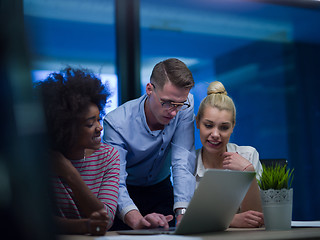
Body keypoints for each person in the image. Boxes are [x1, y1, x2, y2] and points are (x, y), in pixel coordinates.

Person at [103, 58, 196, 230]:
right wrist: (136, 220)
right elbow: (115, 181)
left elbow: (182, 160)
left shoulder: (183, 104)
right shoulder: (116, 123)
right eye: (167, 103)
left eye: (179, 104)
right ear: (149, 89)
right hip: (125, 193)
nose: (174, 112)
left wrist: (183, 213)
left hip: (161, 189)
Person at [35, 68, 120, 235]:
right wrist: (85, 226)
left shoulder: (108, 156)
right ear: (66, 128)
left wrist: (70, 174)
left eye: (99, 118)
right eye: (90, 124)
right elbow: (38, 219)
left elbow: (106, 219)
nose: (99, 128)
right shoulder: (42, 159)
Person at [195, 81, 264, 228]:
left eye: (224, 127)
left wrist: (248, 172)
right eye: (208, 125)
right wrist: (231, 220)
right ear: (197, 123)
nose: (215, 134)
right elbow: (186, 220)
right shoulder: (187, 163)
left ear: (233, 127)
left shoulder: (248, 155)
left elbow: (257, 220)